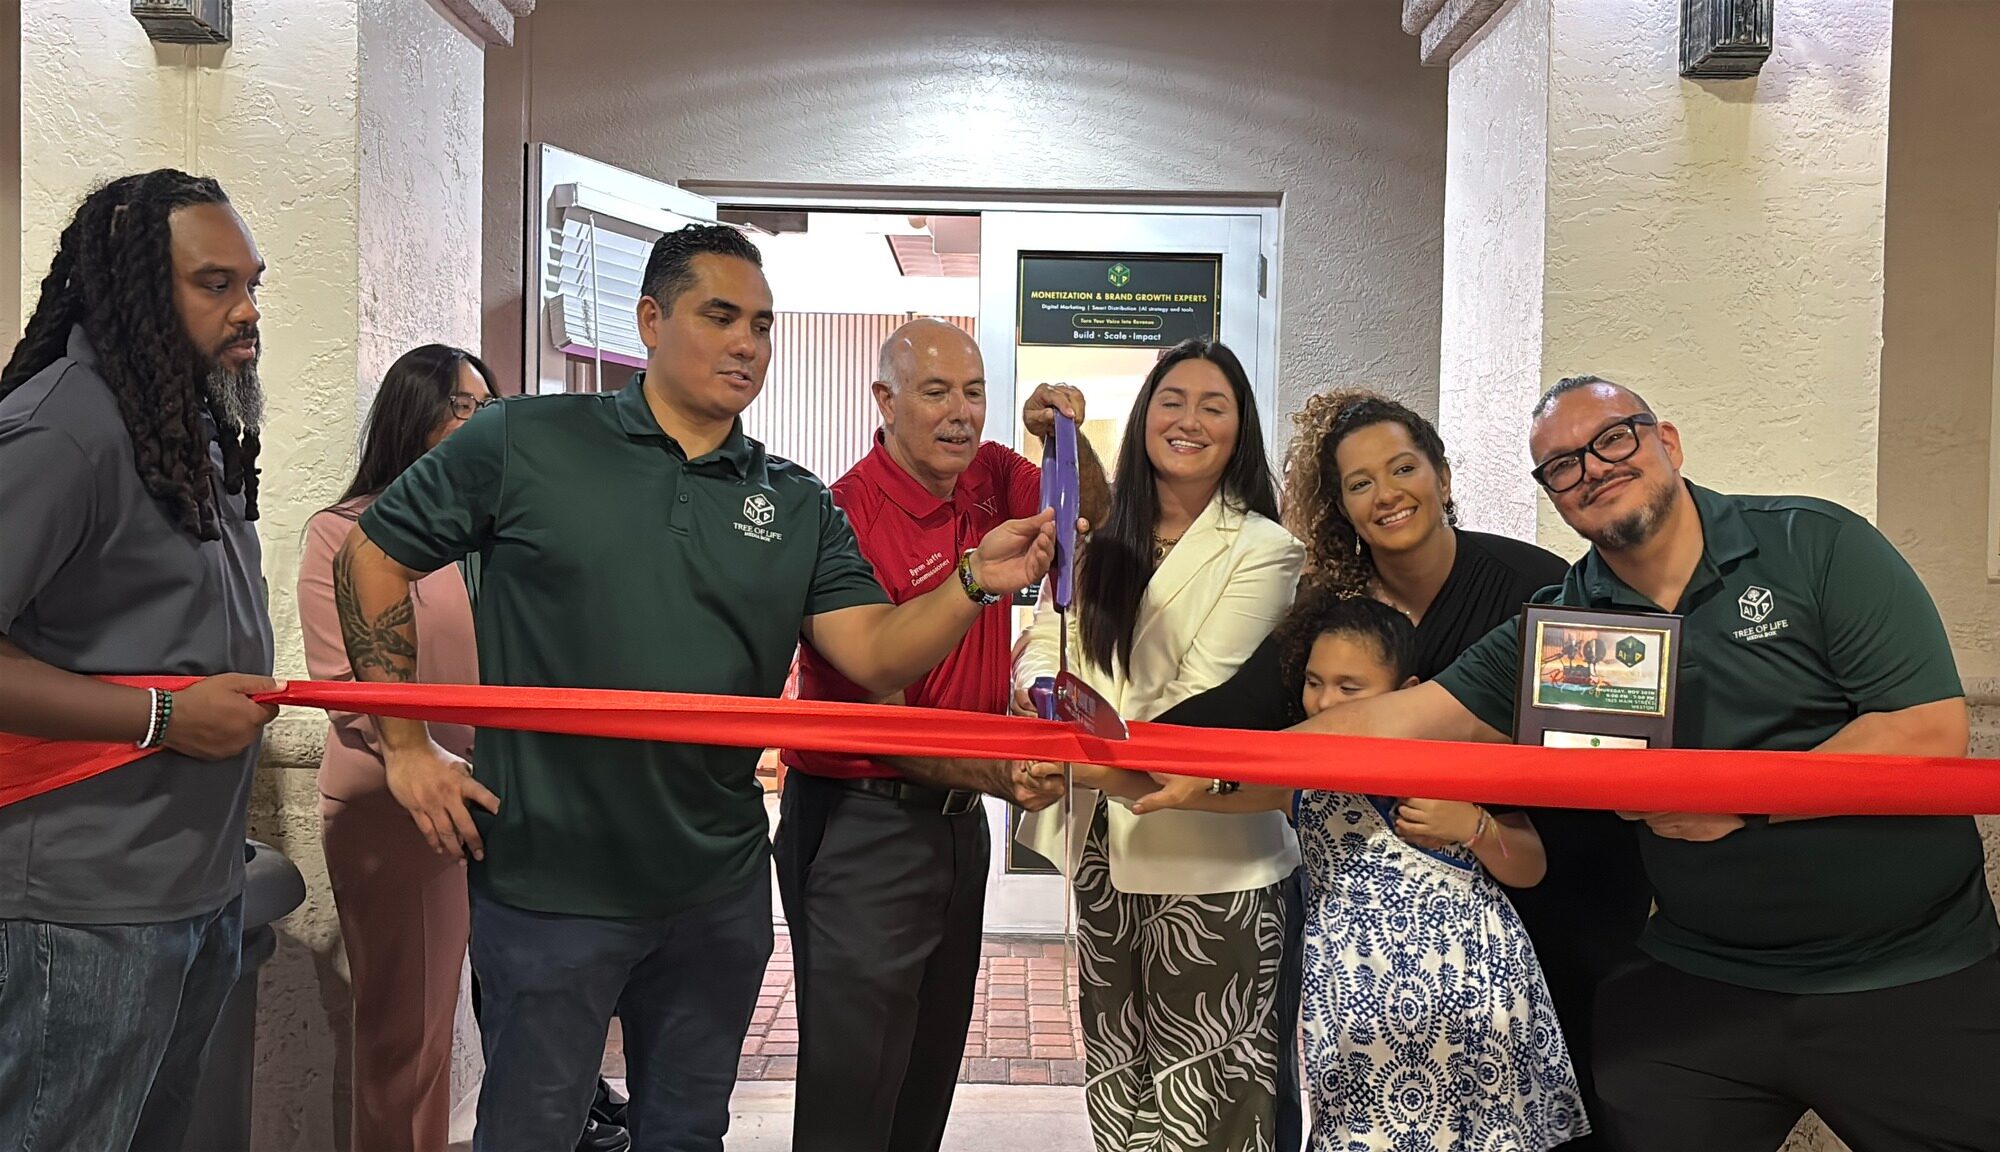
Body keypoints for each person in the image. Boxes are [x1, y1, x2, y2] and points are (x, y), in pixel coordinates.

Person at [331, 224, 1058, 1151]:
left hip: (715, 894)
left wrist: (973, 580)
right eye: (720, 316)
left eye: (761, 324)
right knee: (530, 1134)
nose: (746, 342)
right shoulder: (525, 440)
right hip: (552, 886)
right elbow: (372, 556)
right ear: (650, 320)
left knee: (685, 1137)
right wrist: (405, 748)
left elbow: (874, 653)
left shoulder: (794, 501)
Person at [1187, 375, 2000, 1152]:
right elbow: (1402, 719)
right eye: (1561, 465)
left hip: (1909, 973)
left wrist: (1738, 802)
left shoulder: (1815, 545)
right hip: (1703, 977)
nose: (1591, 469)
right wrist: (1182, 759)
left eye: (1614, 439)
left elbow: (1927, 731)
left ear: (1668, 442)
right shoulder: (1563, 622)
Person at [1148, 391, 1647, 1150]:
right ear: (1341, 508)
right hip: (1379, 959)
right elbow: (1235, 716)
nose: (1386, 494)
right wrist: (1118, 747)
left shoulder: (1534, 584)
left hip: (1553, 897)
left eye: (1404, 468)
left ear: (1442, 475)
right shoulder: (1334, 619)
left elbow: (1612, 722)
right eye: (1359, 483)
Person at [1094, 589, 1588, 1150]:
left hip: (1473, 995)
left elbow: (1531, 866)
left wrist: (1473, 825)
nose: (1326, 703)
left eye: (1350, 689)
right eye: (1314, 682)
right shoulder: (1294, 781)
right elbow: (1173, 788)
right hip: (1353, 998)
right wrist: (1082, 766)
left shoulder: (1453, 760)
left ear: (1405, 693)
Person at [775, 318, 1107, 1152]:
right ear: (884, 401)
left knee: (924, 1088)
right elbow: (875, 710)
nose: (961, 412)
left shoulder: (989, 473)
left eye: (974, 392)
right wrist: (999, 771)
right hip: (861, 825)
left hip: (958, 828)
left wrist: (1062, 440)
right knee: (852, 1100)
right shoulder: (843, 513)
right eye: (936, 392)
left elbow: (1089, 519)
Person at [0, 170, 279, 1150]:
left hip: (194, 886)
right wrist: (164, 718)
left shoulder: (182, 421)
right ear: (131, 290)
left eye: (252, 282)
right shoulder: (61, 430)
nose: (248, 311)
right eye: (215, 284)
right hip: (82, 906)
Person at [298, 346, 629, 1152]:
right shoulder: (346, 533)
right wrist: (422, 758)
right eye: (460, 405)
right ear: (411, 415)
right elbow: (345, 685)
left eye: (488, 406)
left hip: (507, 798)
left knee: (518, 1009)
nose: (480, 421)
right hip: (399, 806)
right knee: (406, 1035)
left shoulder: (493, 534)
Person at [1013, 338, 1304, 1152]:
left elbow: (1201, 698)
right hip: (1100, 847)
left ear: (1240, 429)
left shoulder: (1266, 549)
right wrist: (1044, 699)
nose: (1189, 420)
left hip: (1211, 858)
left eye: (1215, 406)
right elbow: (1049, 639)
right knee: (1119, 1081)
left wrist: (1078, 741)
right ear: (1145, 417)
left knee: (1211, 1095)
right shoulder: (1105, 538)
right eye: (1172, 401)